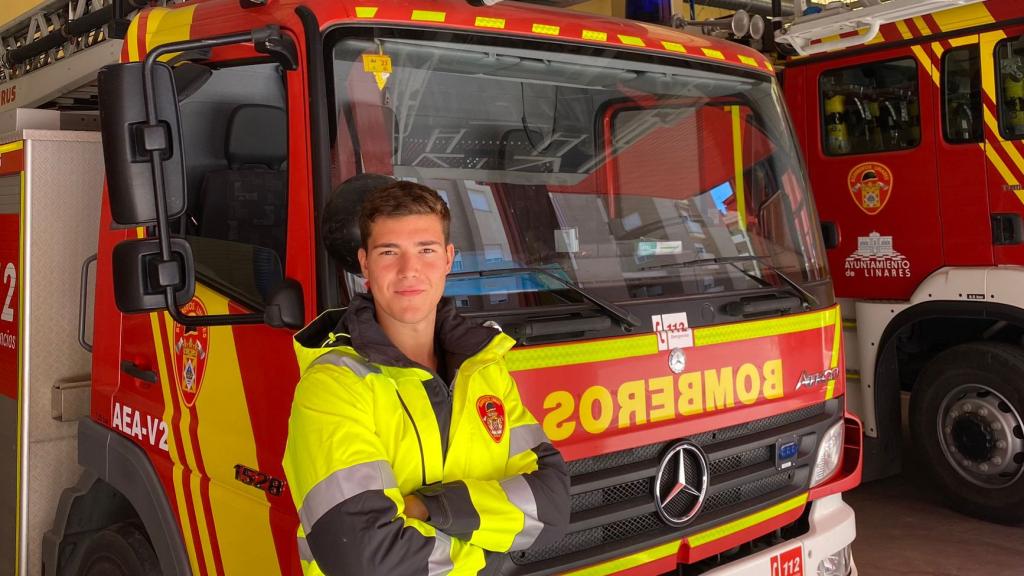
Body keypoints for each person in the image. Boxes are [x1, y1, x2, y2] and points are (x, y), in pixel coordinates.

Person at [283, 177, 570, 575]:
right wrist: (488, 557)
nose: (409, 270)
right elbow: (366, 560)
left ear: (449, 259)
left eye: (426, 250)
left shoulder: (485, 368)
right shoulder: (334, 385)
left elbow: (552, 506)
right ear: (365, 262)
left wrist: (429, 507)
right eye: (389, 252)